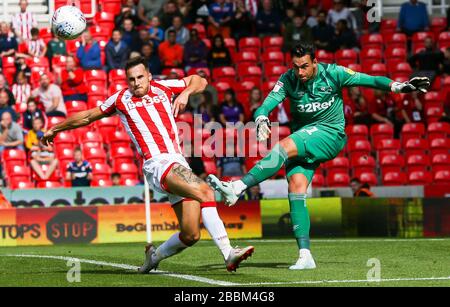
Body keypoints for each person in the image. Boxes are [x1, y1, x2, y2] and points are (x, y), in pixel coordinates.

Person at [206, 43, 430, 270]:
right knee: (296, 188)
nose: (300, 73)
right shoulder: (287, 79)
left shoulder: (334, 73)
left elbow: (370, 80)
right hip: (305, 138)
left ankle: (238, 187)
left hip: (330, 133)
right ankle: (305, 255)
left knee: (283, 147)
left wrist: (399, 87)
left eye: (304, 67)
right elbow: (265, 105)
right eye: (296, 67)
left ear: (315, 62)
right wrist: (262, 118)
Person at [41, 56, 254, 273]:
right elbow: (87, 116)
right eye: (131, 79)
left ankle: (154, 256)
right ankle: (228, 253)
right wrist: (55, 128)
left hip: (178, 163)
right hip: (158, 164)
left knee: (191, 234)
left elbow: (200, 81)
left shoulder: (163, 87)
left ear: (149, 76)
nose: (136, 83)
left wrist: (186, 92)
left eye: (140, 77)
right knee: (206, 191)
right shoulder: (120, 99)